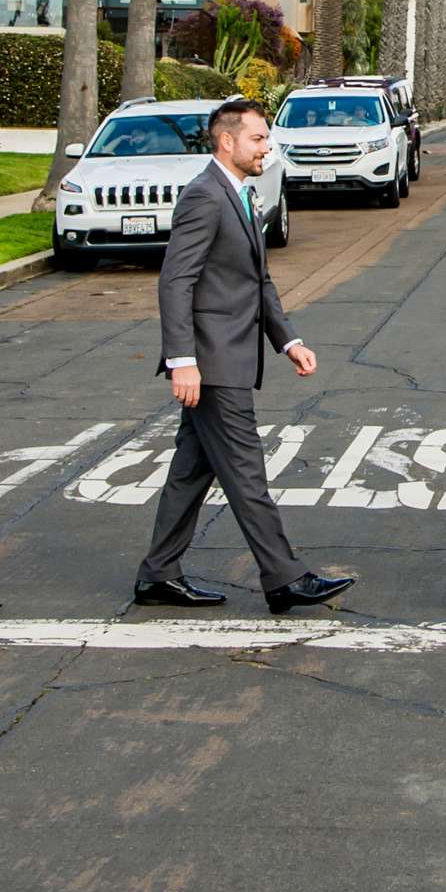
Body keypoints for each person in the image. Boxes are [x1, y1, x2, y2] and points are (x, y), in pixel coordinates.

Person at [134, 98, 355, 615]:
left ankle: (158, 574)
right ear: (226, 141)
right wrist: (181, 359)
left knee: (192, 470)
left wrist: (288, 340)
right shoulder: (205, 196)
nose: (267, 147)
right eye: (258, 138)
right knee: (246, 470)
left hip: (227, 356)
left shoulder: (240, 193)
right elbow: (176, 281)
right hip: (213, 364)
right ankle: (284, 577)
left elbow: (258, 280)